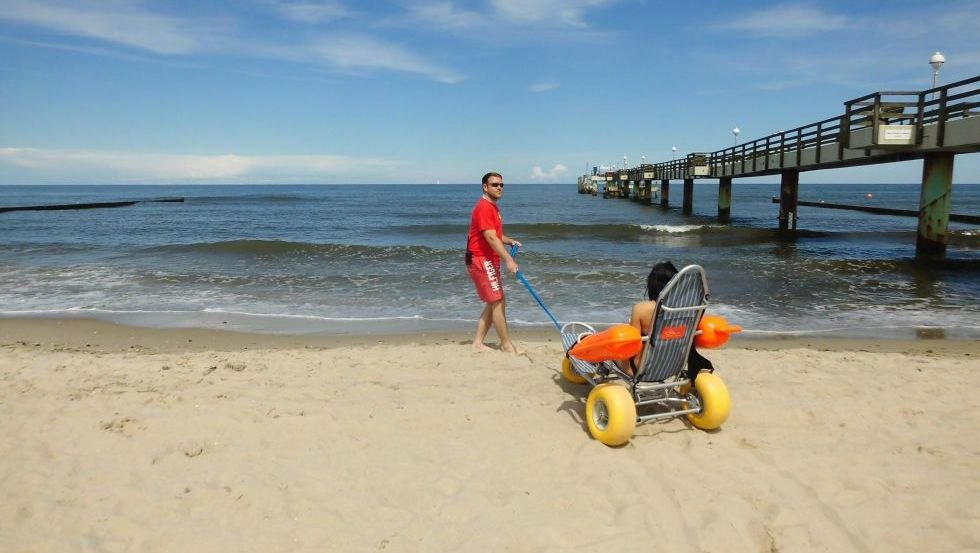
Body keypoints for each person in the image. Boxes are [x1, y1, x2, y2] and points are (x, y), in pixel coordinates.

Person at [466, 172, 523, 353]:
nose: (499, 187)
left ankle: (477, 343)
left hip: (488, 259)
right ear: (485, 187)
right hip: (481, 259)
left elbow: (495, 235)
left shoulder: (492, 207)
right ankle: (506, 345)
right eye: (495, 184)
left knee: (495, 301)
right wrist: (509, 259)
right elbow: (490, 237)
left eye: (501, 185)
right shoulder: (484, 207)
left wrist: (509, 241)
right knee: (497, 301)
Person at [619, 261, 678, 375]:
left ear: (652, 285)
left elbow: (632, 346)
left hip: (642, 368)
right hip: (673, 366)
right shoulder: (685, 310)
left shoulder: (641, 309)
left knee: (615, 347)